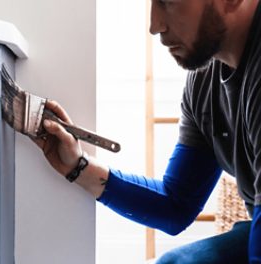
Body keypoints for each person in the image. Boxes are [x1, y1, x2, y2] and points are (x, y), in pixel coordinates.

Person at [33, 0, 261, 263]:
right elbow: (177, 205)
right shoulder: (204, 81)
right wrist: (77, 166)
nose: (154, 25)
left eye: (168, 2)